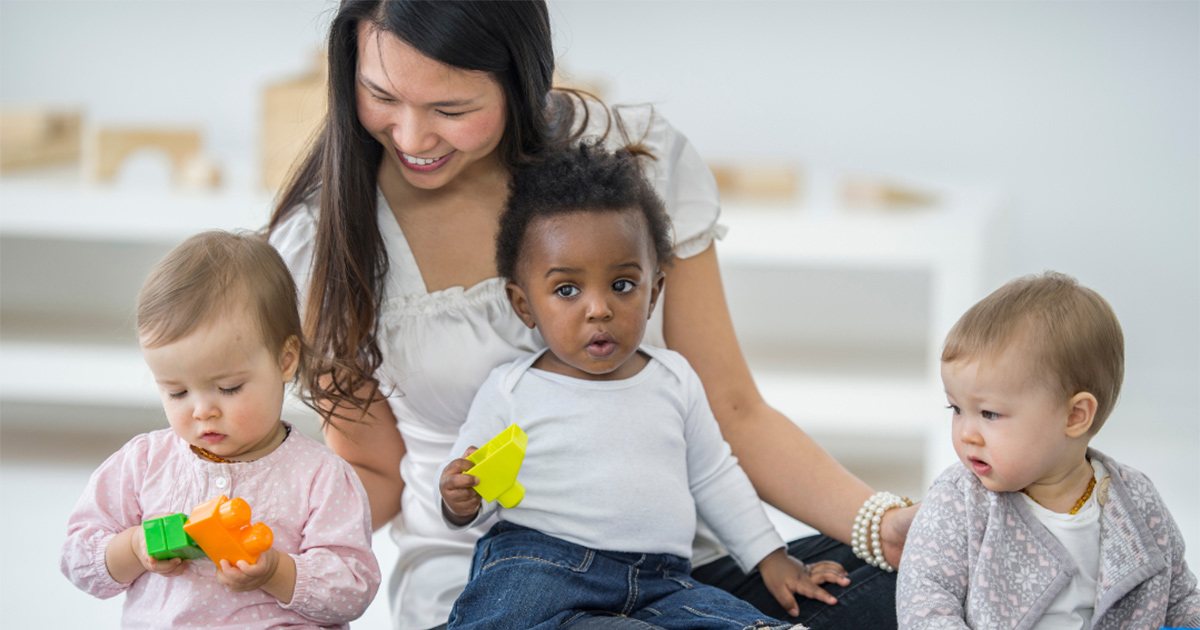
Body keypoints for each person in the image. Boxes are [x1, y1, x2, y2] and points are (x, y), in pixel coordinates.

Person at [267, 2, 915, 628]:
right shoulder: (322, 241)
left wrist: (879, 522)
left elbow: (731, 411)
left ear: (522, 79)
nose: (411, 137)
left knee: (913, 587)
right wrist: (266, 554)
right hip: (497, 591)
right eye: (381, 96)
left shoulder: (627, 159)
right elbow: (374, 472)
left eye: (451, 108)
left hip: (673, 575)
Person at [438, 144, 847, 630]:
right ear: (524, 305)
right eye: (567, 290)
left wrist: (771, 557)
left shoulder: (673, 380)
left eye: (623, 285)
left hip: (663, 582)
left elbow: (714, 477)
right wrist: (458, 500)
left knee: (730, 619)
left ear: (654, 292)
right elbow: (473, 484)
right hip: (542, 570)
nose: (598, 309)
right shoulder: (511, 389)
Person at [60, 231, 381, 628]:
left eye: (228, 388)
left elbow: (353, 589)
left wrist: (276, 572)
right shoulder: (143, 463)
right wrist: (133, 547)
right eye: (176, 392)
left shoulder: (320, 476)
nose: (203, 411)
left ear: (285, 360)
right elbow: (77, 557)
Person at [896, 272, 1200, 629]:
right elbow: (926, 602)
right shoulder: (958, 501)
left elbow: (1179, 598)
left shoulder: (1135, 500)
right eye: (956, 409)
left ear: (1075, 416)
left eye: (989, 413)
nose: (966, 434)